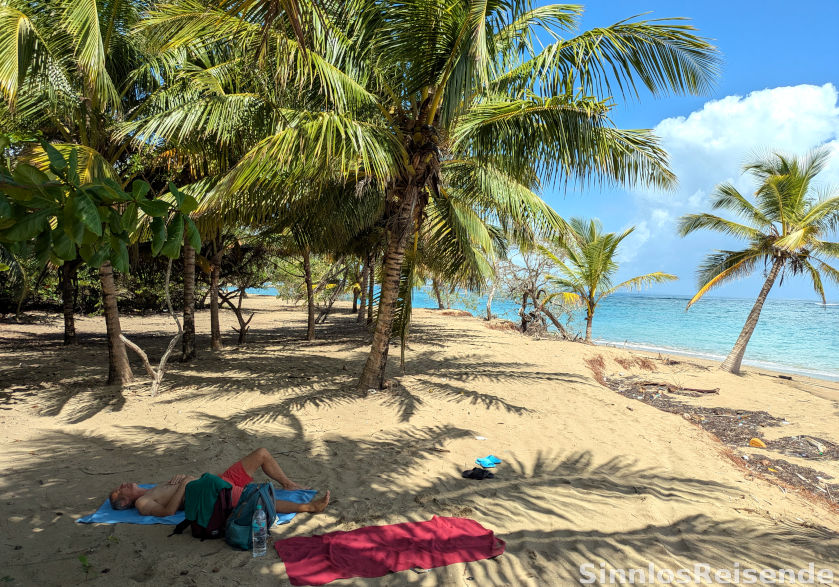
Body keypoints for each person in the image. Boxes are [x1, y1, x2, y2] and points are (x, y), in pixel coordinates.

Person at [108, 448, 330, 517]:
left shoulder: (148, 490)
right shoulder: (142, 503)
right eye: (119, 491)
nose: (122, 485)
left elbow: (170, 492)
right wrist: (184, 485)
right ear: (125, 502)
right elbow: (168, 512)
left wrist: (178, 482)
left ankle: (288, 484)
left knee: (261, 453)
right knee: (255, 497)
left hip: (214, 482)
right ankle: (309, 507)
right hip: (211, 496)